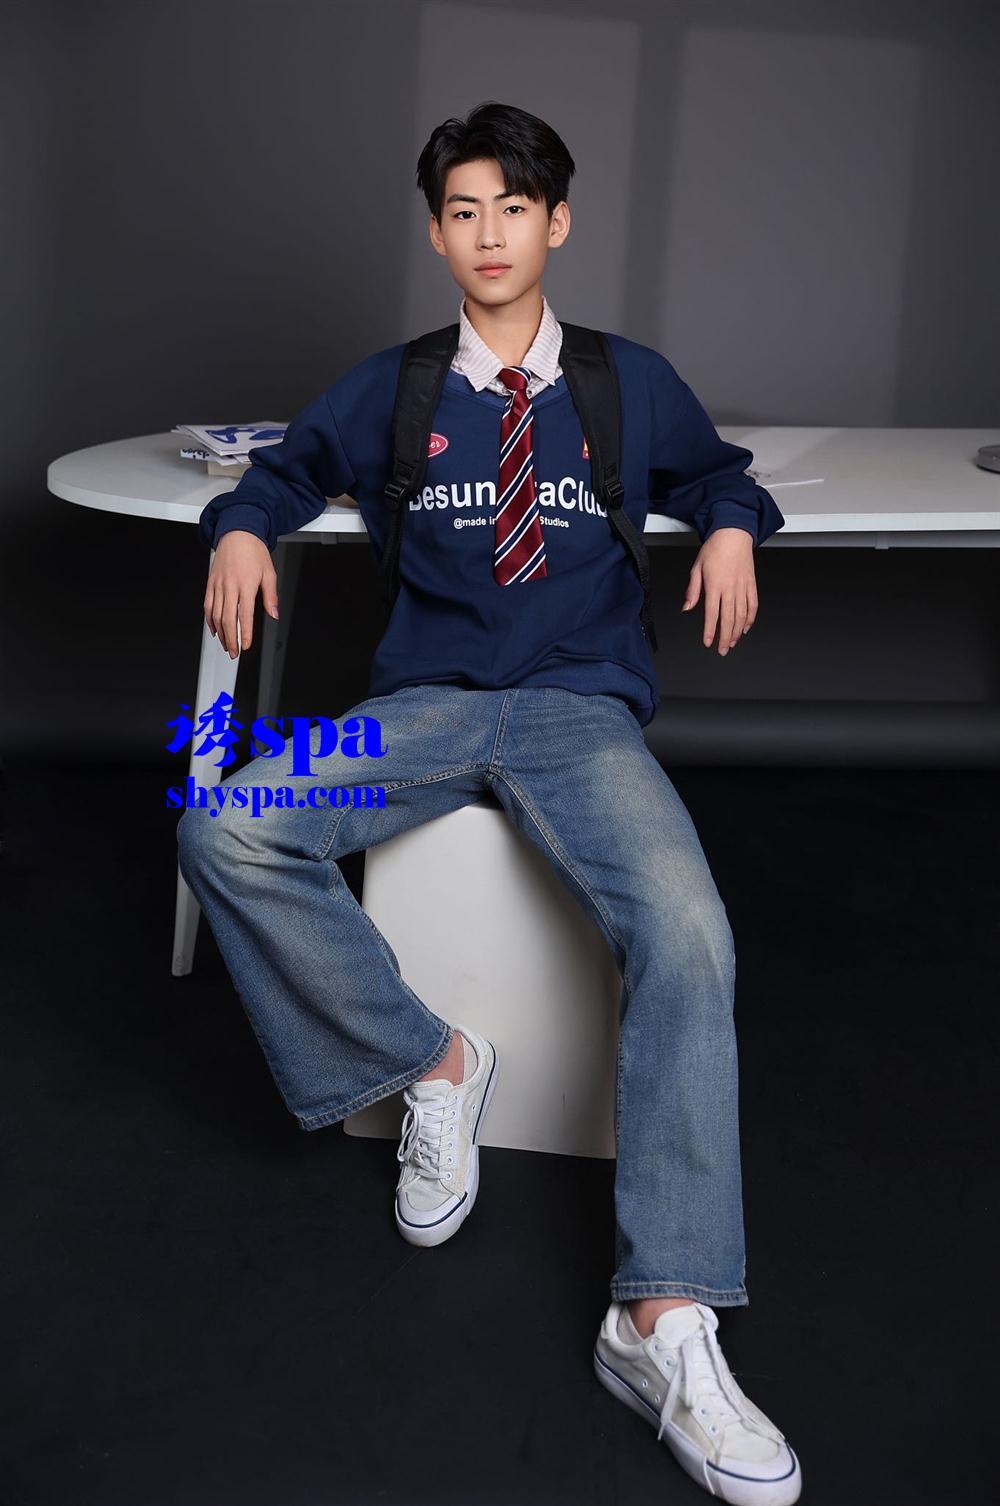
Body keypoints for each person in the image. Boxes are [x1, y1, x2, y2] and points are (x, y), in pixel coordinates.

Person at [177, 101, 802, 1504]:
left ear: (555, 223)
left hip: (580, 713)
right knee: (223, 820)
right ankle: (433, 1064)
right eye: (463, 211)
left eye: (514, 208)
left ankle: (663, 1316)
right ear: (437, 232)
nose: (490, 233)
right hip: (426, 706)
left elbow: (722, 474)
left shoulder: (624, 382)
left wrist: (729, 529)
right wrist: (240, 528)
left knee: (689, 931)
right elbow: (282, 470)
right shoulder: (400, 387)